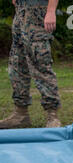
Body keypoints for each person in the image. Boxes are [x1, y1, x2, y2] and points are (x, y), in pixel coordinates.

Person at [0, 0, 62, 129]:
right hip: (21, 12)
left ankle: (52, 116)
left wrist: (50, 11)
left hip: (38, 11)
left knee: (41, 64)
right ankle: (20, 114)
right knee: (17, 65)